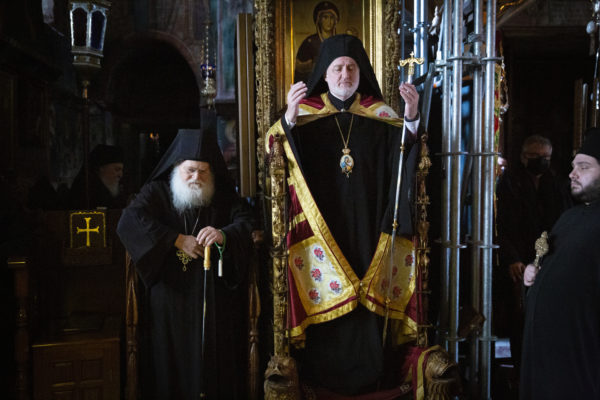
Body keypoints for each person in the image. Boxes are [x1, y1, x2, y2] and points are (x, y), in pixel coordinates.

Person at [266, 34, 421, 396]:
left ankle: (371, 375)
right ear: (325, 73)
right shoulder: (306, 115)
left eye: (351, 67)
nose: (345, 74)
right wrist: (289, 118)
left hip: (369, 225)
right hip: (324, 225)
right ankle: (322, 379)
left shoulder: (380, 115)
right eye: (337, 68)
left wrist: (412, 117)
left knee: (368, 292)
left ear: (360, 72)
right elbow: (274, 149)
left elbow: (405, 155)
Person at [116, 128, 254, 399]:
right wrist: (176, 239)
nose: (196, 178)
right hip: (171, 299)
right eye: (190, 170)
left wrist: (223, 234)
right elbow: (129, 222)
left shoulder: (221, 194)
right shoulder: (157, 192)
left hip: (213, 298)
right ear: (176, 167)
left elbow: (247, 221)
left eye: (203, 172)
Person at [520, 128, 600, 399]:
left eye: (584, 167)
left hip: (580, 362)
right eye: (573, 166)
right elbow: (545, 264)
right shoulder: (569, 218)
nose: (572, 174)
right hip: (544, 361)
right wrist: (533, 273)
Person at [494, 135, 571, 376]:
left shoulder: (556, 183)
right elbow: (500, 225)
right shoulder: (509, 183)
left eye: (545, 157)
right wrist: (512, 258)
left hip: (549, 261)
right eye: (535, 157)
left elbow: (562, 221)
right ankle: (520, 372)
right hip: (518, 260)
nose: (541, 161)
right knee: (519, 319)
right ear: (523, 157)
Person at [68, 144, 127, 209]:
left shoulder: (119, 189)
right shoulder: (85, 189)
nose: (120, 175)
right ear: (101, 168)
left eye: (121, 170)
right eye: (117, 169)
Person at [294, 1, 339, 83]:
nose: (329, 21)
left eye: (331, 18)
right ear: (319, 20)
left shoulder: (341, 42)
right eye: (325, 17)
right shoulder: (309, 43)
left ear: (335, 21)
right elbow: (300, 74)